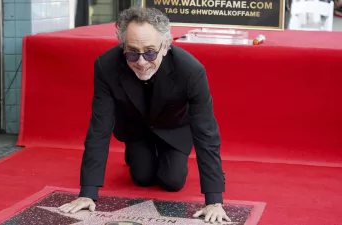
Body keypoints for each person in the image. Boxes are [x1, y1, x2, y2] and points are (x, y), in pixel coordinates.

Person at [58, 6, 231, 223]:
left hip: (174, 127)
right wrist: (87, 192)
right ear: (123, 46)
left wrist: (214, 200)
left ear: (166, 46)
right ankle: (135, 153)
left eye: (150, 52)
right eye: (132, 52)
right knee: (142, 177)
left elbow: (207, 133)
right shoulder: (106, 66)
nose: (141, 62)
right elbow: (99, 129)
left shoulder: (191, 71)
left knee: (173, 182)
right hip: (136, 127)